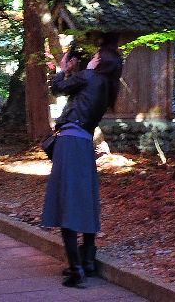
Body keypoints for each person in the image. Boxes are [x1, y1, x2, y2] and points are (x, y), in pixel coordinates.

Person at [42, 43, 123, 288]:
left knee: (67, 200)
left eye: (96, 56)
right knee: (85, 199)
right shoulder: (108, 87)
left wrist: (60, 69)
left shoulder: (89, 76)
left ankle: (76, 270)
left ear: (99, 62)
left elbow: (57, 89)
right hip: (85, 144)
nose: (92, 58)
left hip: (69, 143)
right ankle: (87, 260)